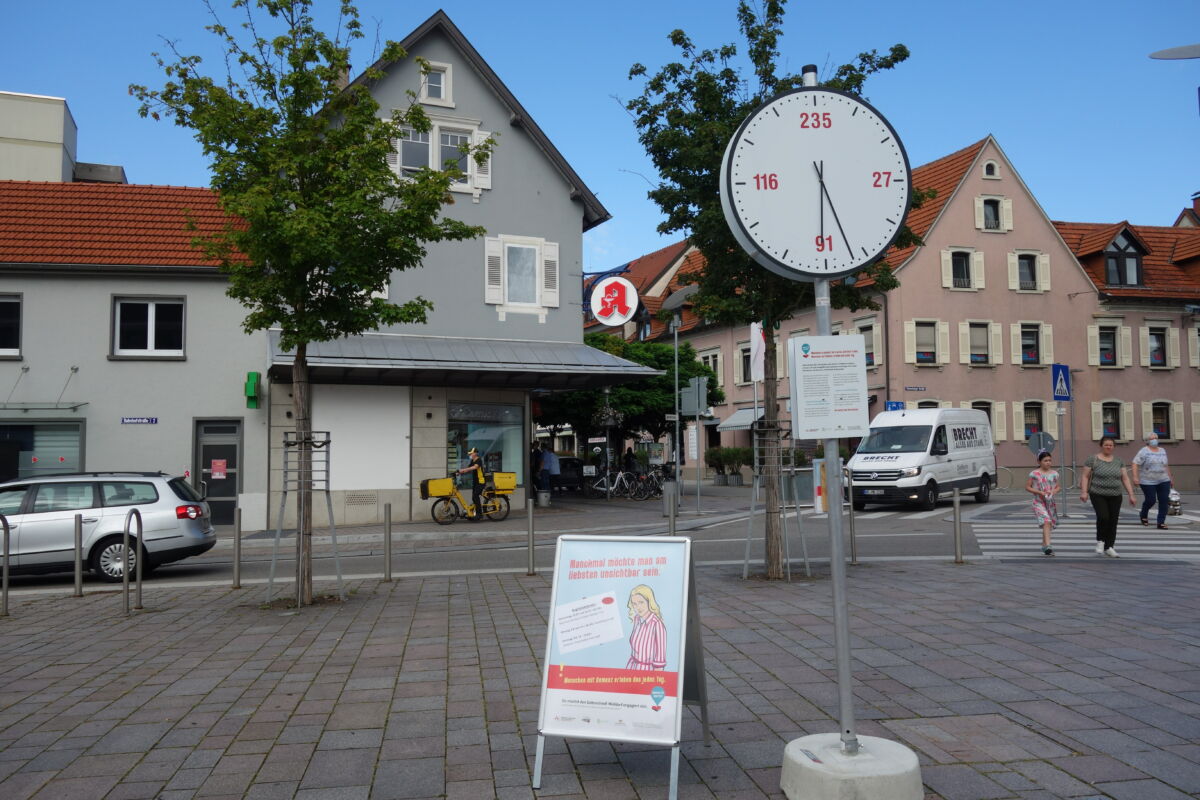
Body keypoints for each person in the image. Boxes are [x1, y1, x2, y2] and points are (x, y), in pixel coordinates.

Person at [1079, 435, 1137, 557]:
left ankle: (1109, 546)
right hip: (1097, 493)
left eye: (1111, 445)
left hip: (1116, 495)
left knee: (1113, 521)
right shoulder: (1092, 459)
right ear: (1101, 446)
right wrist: (1084, 492)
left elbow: (1125, 478)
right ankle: (1100, 540)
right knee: (1103, 517)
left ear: (1114, 447)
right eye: (1106, 445)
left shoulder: (1119, 461)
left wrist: (1131, 494)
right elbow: (1085, 476)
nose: (1108, 447)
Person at [1132, 431, 1174, 530]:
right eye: (1152, 438)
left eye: (1156, 437)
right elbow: (1135, 463)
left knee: (1163, 500)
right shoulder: (1144, 451)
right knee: (1151, 500)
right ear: (1147, 441)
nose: (1155, 440)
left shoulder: (1162, 450)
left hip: (1163, 479)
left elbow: (1165, 465)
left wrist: (1170, 478)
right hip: (1147, 480)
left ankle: (1161, 522)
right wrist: (1135, 477)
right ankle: (1143, 514)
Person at [1025, 450, 1061, 556]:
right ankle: (1049, 546)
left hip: (1050, 502)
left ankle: (1044, 546)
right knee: (1046, 520)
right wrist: (1039, 492)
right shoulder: (1034, 474)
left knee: (1048, 524)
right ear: (1039, 461)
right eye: (1045, 460)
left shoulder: (1055, 474)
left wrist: (1053, 491)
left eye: (1050, 460)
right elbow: (1027, 487)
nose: (1048, 462)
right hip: (1038, 502)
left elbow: (1058, 487)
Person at [625, 584, 666, 671]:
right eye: (634, 604)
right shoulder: (637, 619)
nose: (638, 607)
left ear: (649, 601)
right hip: (632, 668)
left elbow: (660, 663)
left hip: (647, 672)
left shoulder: (657, 624)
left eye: (641, 602)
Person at [457, 447, 486, 521]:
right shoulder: (473, 460)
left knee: (476, 496)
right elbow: (468, 468)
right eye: (470, 454)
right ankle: (473, 513)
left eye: (471, 453)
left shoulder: (478, 460)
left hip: (481, 482)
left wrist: (464, 470)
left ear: (475, 453)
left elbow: (474, 467)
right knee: (473, 497)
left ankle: (479, 514)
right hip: (476, 482)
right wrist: (459, 472)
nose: (470, 455)